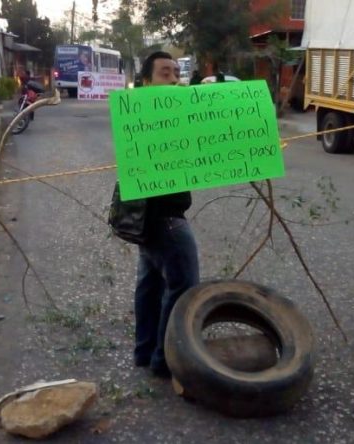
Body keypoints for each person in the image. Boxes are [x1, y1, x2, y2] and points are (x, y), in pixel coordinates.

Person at [131, 51, 200, 378]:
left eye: (176, 73)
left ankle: (145, 352)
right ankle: (164, 359)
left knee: (150, 285)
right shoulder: (147, 117)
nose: (173, 79)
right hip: (165, 219)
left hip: (147, 220)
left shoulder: (167, 114)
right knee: (184, 286)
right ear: (146, 82)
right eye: (164, 73)